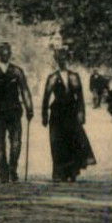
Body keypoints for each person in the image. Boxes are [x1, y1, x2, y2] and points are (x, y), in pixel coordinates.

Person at [0, 42, 34, 183]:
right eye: (2, 52)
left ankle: (12, 170)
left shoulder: (17, 71)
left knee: (16, 143)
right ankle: (3, 174)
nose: (5, 54)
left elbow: (25, 91)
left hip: (14, 112)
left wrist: (29, 108)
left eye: (8, 52)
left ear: (10, 54)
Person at [43, 47, 97, 182]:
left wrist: (81, 113)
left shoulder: (74, 76)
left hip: (71, 112)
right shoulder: (52, 77)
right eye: (60, 59)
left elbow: (80, 96)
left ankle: (72, 171)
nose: (63, 62)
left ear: (68, 60)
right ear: (57, 61)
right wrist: (44, 114)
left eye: (65, 59)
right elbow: (46, 97)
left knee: (73, 140)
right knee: (57, 141)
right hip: (57, 113)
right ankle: (58, 172)